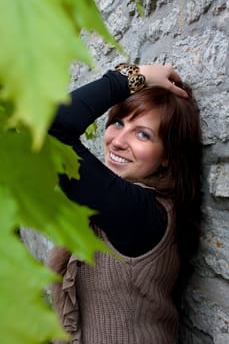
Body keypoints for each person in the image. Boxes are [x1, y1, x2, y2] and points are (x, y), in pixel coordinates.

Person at [47, 63, 202, 344]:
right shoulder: (123, 204)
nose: (118, 141)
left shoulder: (142, 216)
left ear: (168, 155)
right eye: (118, 122)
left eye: (142, 134)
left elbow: (52, 132)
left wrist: (128, 77)